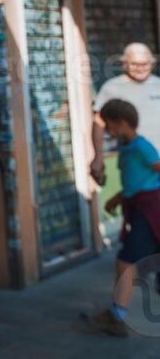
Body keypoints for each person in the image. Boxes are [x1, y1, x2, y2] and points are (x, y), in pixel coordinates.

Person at [83, 99, 160, 338]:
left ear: (122, 123)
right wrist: (116, 199)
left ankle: (117, 318)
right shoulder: (127, 148)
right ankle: (117, 315)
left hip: (150, 211)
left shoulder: (141, 146)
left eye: (109, 126)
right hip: (139, 209)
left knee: (126, 261)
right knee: (132, 261)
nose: (107, 131)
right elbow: (134, 182)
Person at [91, 43, 160, 187]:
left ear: (152, 63)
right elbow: (99, 122)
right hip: (136, 159)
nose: (140, 68)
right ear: (124, 64)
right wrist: (98, 156)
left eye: (145, 64)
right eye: (135, 64)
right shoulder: (112, 87)